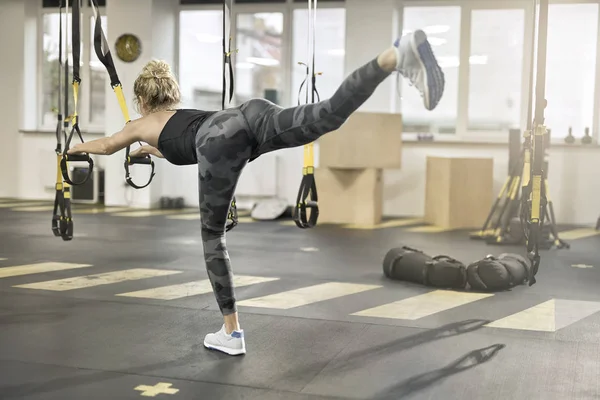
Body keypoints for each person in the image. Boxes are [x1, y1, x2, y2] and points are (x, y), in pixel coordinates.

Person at [68, 29, 445, 356]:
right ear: (170, 94)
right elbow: (182, 142)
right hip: (249, 114)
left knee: (212, 236)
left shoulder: (140, 123)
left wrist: (71, 149)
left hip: (220, 141)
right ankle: (393, 56)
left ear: (142, 101)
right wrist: (153, 150)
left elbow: (106, 146)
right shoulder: (179, 116)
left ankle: (231, 333)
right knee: (326, 115)